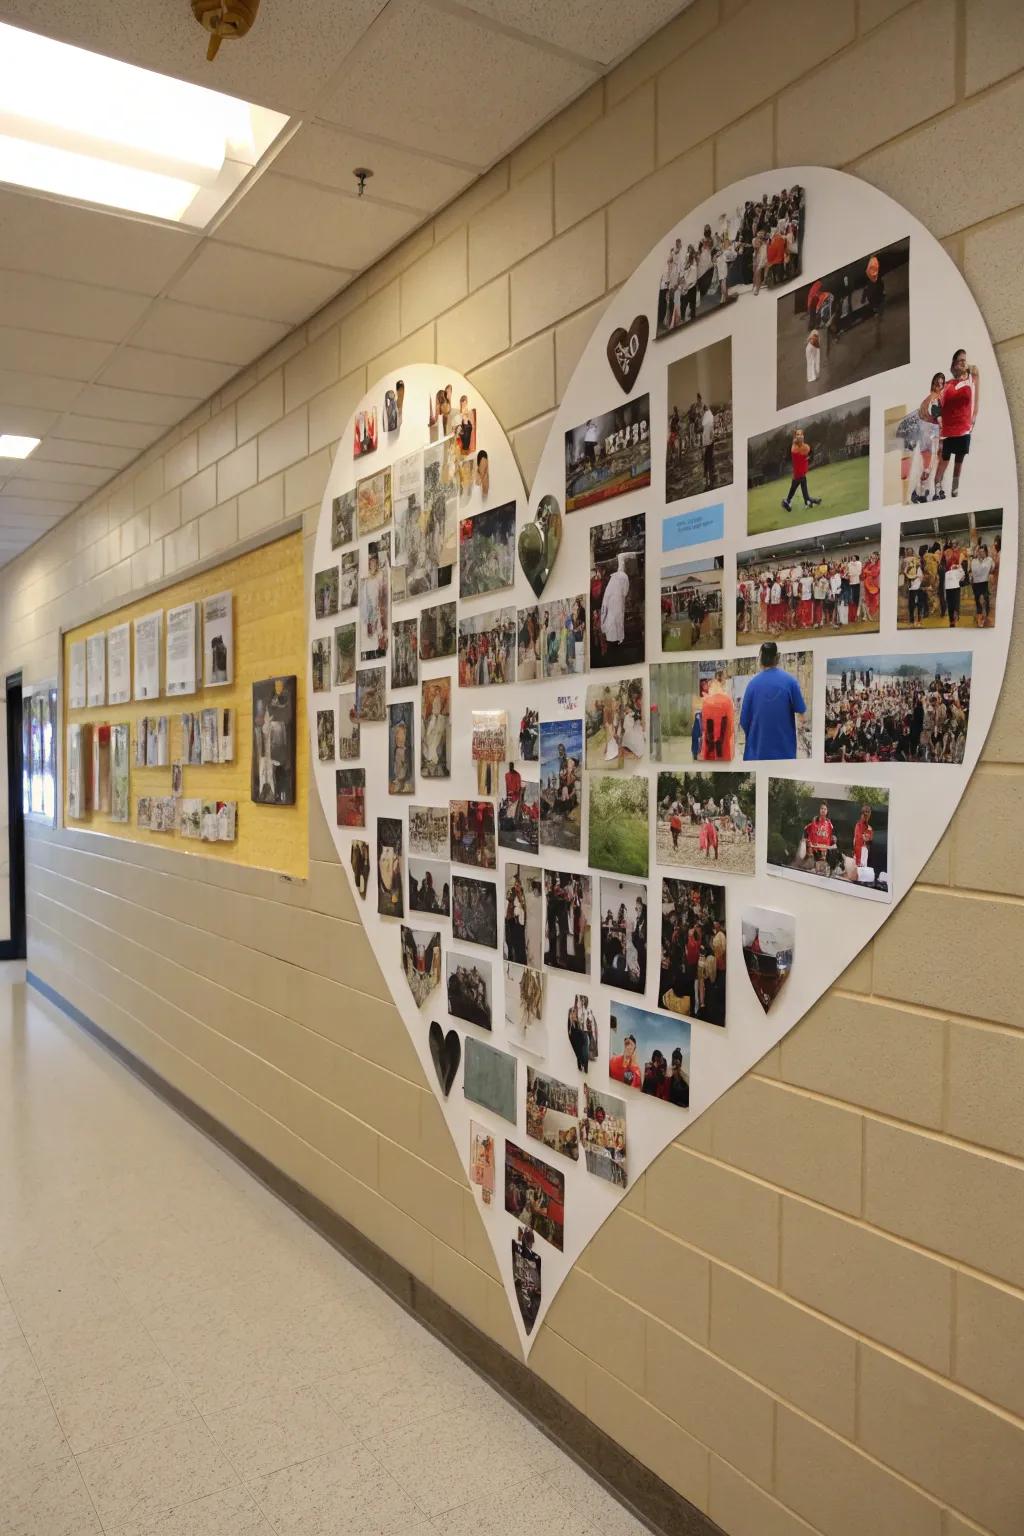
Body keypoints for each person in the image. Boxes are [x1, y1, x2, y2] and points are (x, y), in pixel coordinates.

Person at [739, 642, 807, 760]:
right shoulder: (790, 682)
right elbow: (802, 717)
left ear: (760, 659)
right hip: (784, 754)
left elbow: (744, 721)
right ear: (777, 657)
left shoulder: (752, 685)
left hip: (757, 754)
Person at [932, 349, 980, 499]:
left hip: (964, 429)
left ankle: (955, 489)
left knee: (959, 461)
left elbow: (976, 371)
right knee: (944, 461)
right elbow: (937, 405)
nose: (963, 362)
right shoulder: (948, 384)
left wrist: (966, 366)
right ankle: (937, 485)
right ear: (954, 364)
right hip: (947, 432)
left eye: (964, 360)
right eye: (960, 360)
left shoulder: (972, 378)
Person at [781, 428, 822, 514]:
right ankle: (808, 501)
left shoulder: (803, 447)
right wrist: (808, 455)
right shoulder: (796, 448)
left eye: (801, 434)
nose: (800, 436)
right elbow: (805, 450)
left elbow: (810, 452)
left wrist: (809, 456)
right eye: (798, 434)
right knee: (801, 483)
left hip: (799, 472)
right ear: (795, 437)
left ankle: (790, 501)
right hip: (799, 472)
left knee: (798, 484)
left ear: (803, 436)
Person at [600, 554, 630, 655]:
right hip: (613, 628)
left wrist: (603, 626)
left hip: (612, 628)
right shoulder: (620, 580)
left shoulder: (612, 586)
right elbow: (605, 608)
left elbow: (604, 608)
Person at [701, 675, 735, 761]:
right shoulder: (728, 701)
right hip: (724, 747)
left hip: (710, 748)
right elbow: (730, 728)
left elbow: (703, 726)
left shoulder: (706, 702)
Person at [971, 542, 993, 627]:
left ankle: (986, 617)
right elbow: (975, 571)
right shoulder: (973, 561)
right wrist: (982, 568)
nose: (981, 553)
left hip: (985, 583)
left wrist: (982, 569)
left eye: (983, 551)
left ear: (986, 552)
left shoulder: (989, 559)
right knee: (977, 601)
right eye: (979, 552)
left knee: (986, 600)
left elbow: (989, 568)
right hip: (976, 584)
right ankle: (979, 618)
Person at [701, 401, 716, 489]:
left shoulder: (707, 419)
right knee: (709, 462)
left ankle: (707, 481)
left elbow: (709, 432)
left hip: (707, 443)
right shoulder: (709, 418)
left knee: (707, 462)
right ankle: (708, 481)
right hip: (708, 443)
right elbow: (711, 433)